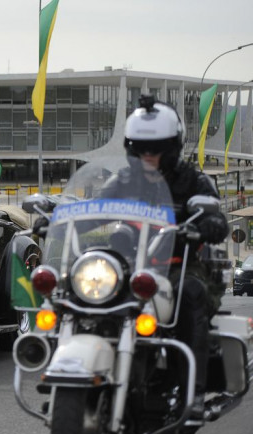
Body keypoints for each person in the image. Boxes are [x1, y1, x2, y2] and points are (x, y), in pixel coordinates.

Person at [101, 96, 228, 414]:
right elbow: (94, 210)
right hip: (130, 266)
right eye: (141, 148)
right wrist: (60, 214)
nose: (148, 155)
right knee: (88, 290)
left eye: (155, 148)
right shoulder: (122, 180)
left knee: (188, 295)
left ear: (172, 146)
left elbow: (218, 219)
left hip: (181, 266)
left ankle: (192, 393)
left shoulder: (194, 180)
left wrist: (209, 224)